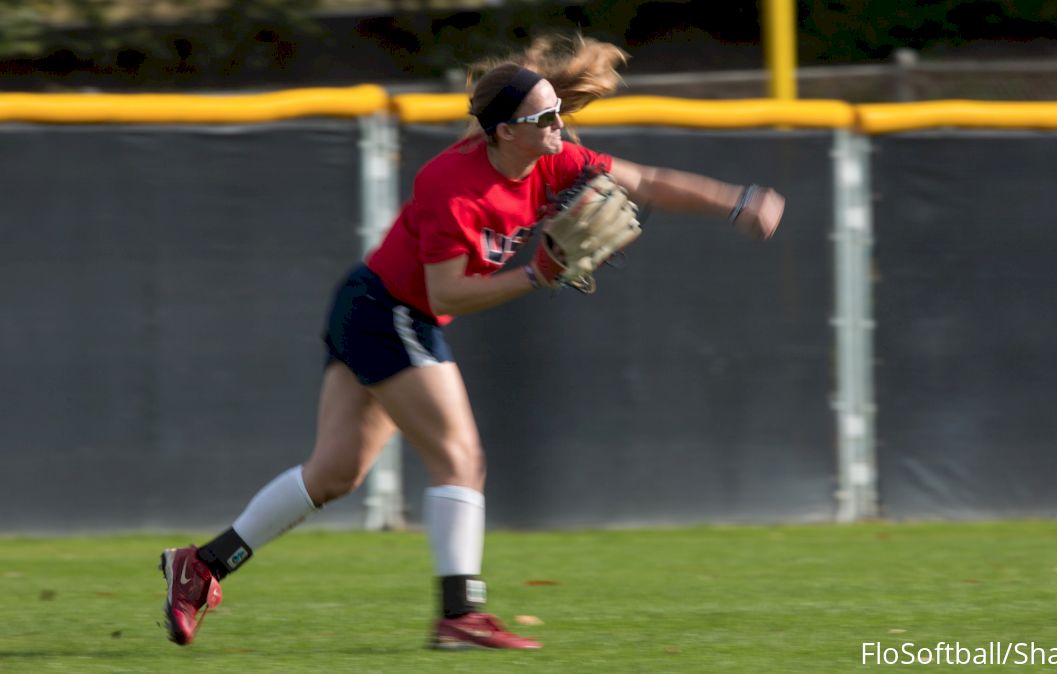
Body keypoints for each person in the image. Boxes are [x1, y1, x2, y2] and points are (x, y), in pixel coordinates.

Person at [159, 34, 786, 651]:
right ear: (504, 131)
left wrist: (737, 202)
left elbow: (645, 181)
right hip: (389, 311)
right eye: (543, 117)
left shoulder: (553, 158)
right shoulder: (453, 185)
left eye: (557, 113)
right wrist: (537, 273)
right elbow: (450, 295)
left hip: (383, 307)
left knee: (335, 473)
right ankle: (460, 613)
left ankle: (203, 566)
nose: (558, 125)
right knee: (461, 458)